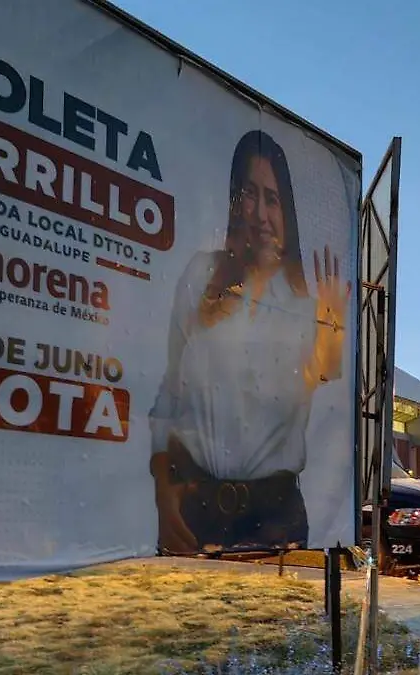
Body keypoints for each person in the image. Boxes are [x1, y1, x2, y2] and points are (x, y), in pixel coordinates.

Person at [149, 129, 352, 555]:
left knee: (275, 623)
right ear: (235, 200)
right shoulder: (201, 277)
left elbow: (324, 382)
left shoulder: (307, 306)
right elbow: (169, 395)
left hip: (275, 520)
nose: (260, 213)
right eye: (249, 193)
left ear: (288, 213)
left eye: (272, 199)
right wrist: (163, 499)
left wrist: (333, 328)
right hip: (195, 509)